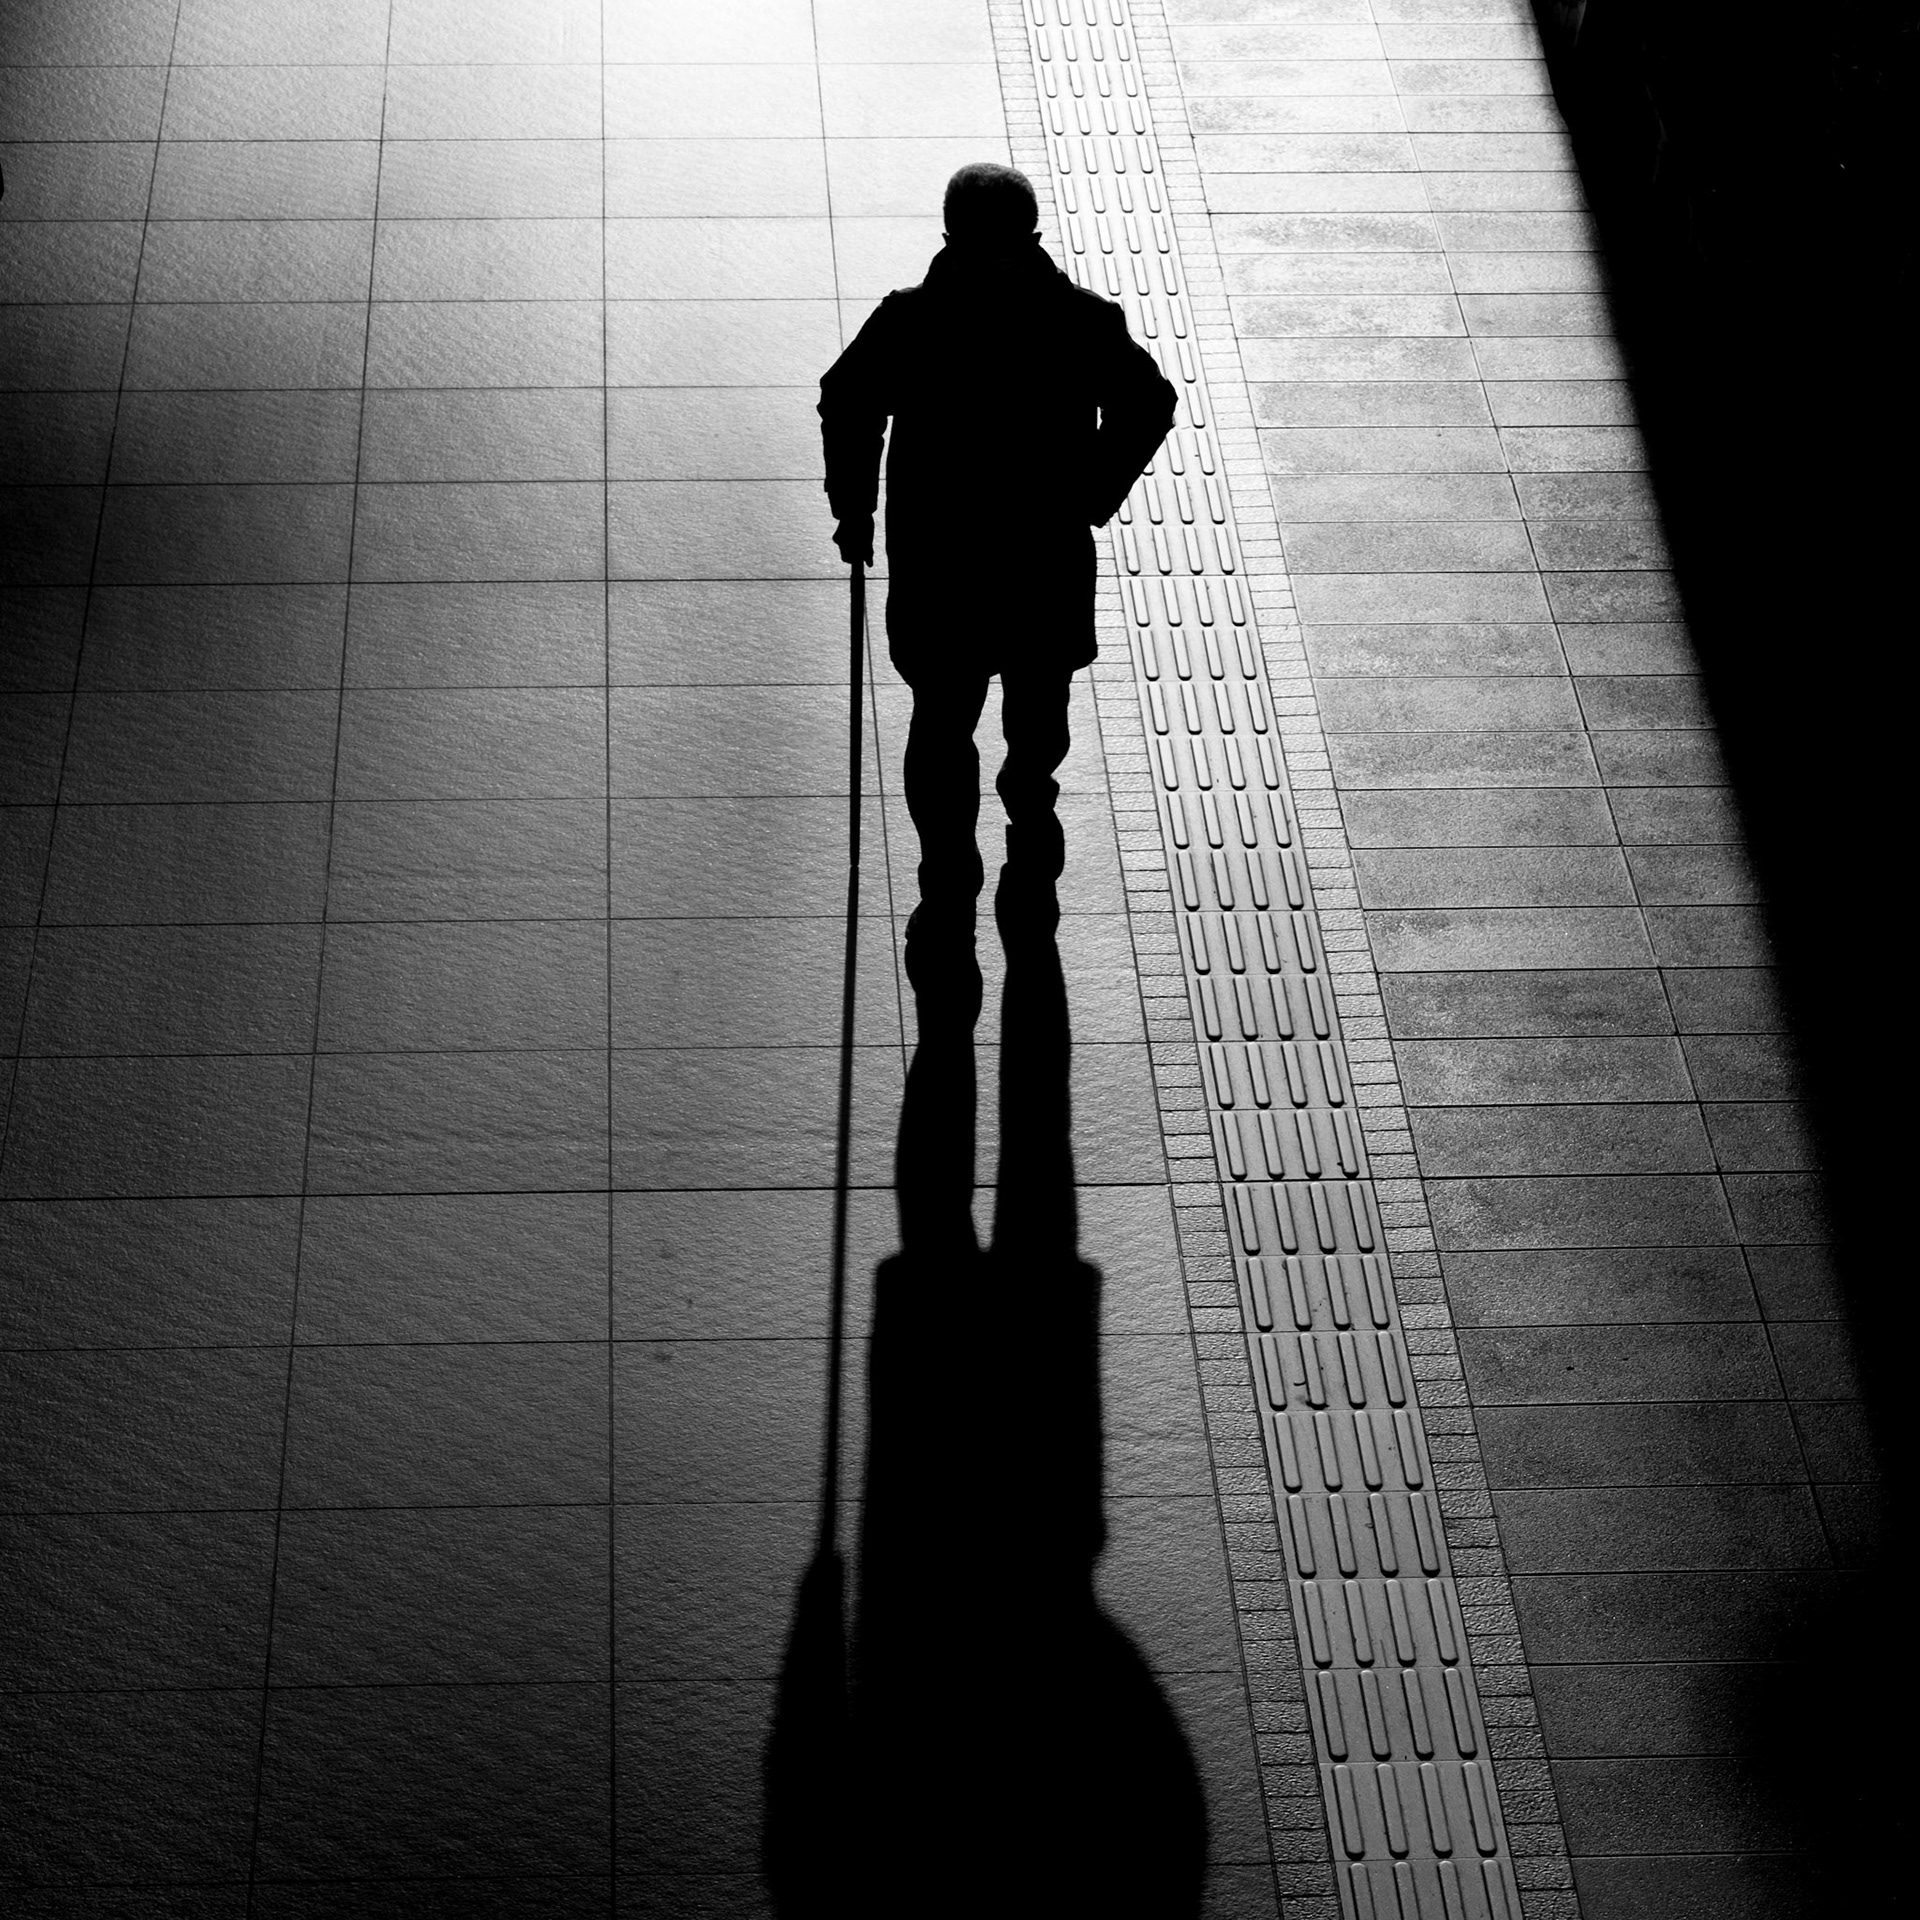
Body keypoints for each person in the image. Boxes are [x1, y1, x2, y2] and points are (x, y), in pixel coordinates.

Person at [818, 162, 1176, 997]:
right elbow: (1148, 402)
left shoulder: (913, 320)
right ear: (1035, 234)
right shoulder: (1080, 320)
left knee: (945, 722)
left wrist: (856, 509)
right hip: (1039, 562)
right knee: (1030, 705)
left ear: (947, 236)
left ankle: (952, 875)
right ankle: (1024, 806)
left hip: (942, 563)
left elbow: (848, 401)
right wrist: (1094, 487)